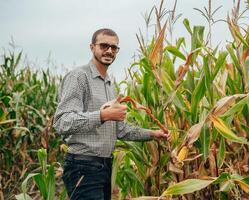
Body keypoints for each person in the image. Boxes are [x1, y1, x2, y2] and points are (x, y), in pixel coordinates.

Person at [53, 28, 170, 200]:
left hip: (105, 166)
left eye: (114, 48)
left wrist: (153, 134)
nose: (109, 50)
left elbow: (120, 130)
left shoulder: (109, 84)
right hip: (83, 165)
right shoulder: (79, 77)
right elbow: (62, 122)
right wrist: (103, 115)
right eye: (104, 45)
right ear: (92, 47)